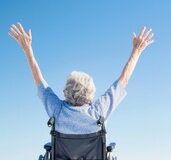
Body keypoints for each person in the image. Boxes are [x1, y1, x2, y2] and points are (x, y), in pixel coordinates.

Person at [8, 22, 154, 134]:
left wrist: (27, 49)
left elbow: (38, 80)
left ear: (66, 91)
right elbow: (124, 80)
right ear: (90, 94)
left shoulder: (57, 110)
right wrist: (137, 50)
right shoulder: (99, 110)